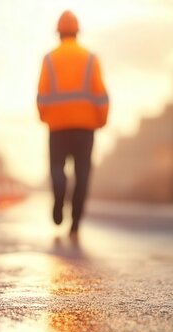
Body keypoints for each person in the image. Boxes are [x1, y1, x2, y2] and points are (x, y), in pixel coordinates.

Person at [37, 10, 109, 238]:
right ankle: (75, 222)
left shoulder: (49, 59)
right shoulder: (90, 58)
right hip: (85, 127)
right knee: (83, 174)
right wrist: (101, 119)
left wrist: (45, 116)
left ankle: (59, 195)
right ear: (77, 32)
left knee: (57, 168)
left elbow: (41, 94)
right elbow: (101, 94)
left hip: (57, 126)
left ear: (58, 33)